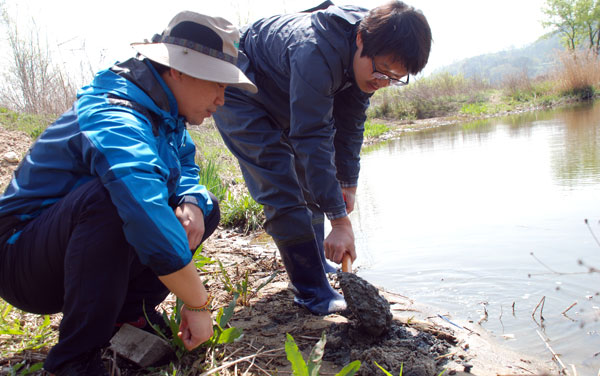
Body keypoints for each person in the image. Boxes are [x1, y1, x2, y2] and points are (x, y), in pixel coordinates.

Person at [0, 11, 257, 376]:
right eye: (217, 83)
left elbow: (184, 167)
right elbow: (141, 209)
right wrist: (198, 304)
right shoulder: (115, 112)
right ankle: (73, 361)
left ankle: (127, 317)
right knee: (115, 200)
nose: (222, 98)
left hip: (70, 248)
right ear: (178, 70)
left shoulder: (166, 112)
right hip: (21, 258)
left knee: (204, 206)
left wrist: (193, 201)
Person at [213, 1, 431, 315]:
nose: (384, 81)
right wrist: (339, 221)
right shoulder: (314, 49)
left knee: (311, 177)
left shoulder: (372, 55)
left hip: (286, 85)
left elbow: (350, 124)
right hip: (241, 84)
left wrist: (347, 184)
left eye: (395, 78)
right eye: (382, 70)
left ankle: (317, 266)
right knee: (280, 182)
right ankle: (311, 290)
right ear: (360, 41)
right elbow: (312, 137)